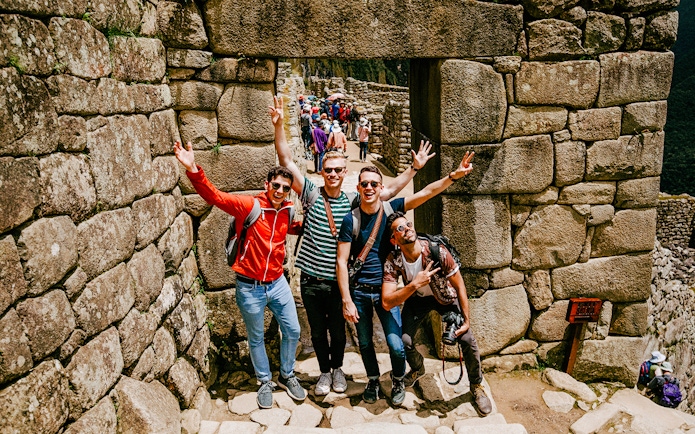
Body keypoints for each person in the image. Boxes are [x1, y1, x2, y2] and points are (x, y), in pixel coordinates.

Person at [268, 96, 435, 397]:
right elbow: (287, 162)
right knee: (318, 331)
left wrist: (414, 169)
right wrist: (279, 125)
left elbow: (389, 190)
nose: (332, 174)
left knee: (339, 333)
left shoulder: (354, 202)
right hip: (310, 278)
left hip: (338, 280)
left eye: (338, 170)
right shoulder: (310, 194)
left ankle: (338, 370)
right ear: (322, 171)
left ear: (346, 173)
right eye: (328, 169)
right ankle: (323, 372)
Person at [173, 141, 307, 409]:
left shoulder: (287, 212)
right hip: (250, 287)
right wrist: (193, 169)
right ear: (267, 184)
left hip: (278, 283)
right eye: (276, 185)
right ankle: (264, 381)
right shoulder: (249, 206)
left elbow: (294, 229)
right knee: (255, 337)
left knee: (292, 330)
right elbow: (215, 196)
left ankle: (287, 375)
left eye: (285, 187)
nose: (280, 190)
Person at [336, 151, 475, 406]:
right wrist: (347, 299)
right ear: (358, 187)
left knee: (397, 344)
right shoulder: (351, 220)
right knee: (365, 342)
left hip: (386, 289)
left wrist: (453, 177)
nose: (369, 188)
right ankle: (373, 380)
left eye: (373, 184)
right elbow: (342, 261)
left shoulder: (391, 210)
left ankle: (399, 378)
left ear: (381, 187)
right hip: (359, 291)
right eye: (364, 184)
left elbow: (425, 194)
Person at [381, 212, 492, 416]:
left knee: (467, 339)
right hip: (417, 299)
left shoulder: (437, 251)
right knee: (405, 341)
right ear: (393, 240)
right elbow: (387, 302)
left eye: (408, 224)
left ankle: (476, 386)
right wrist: (415, 284)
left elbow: (460, 286)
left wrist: (466, 321)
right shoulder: (394, 260)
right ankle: (417, 369)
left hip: (445, 297)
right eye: (400, 229)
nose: (407, 229)